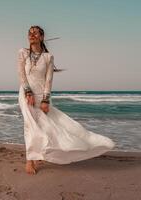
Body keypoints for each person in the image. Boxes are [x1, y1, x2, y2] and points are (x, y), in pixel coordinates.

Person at [17, 25, 116, 175]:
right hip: (26, 94)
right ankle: (30, 160)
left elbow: (48, 80)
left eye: (35, 33)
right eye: (29, 33)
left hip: (41, 95)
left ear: (42, 37)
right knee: (29, 125)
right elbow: (21, 75)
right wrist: (27, 91)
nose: (32, 35)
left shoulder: (48, 57)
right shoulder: (22, 53)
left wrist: (45, 99)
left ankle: (40, 153)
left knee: (46, 126)